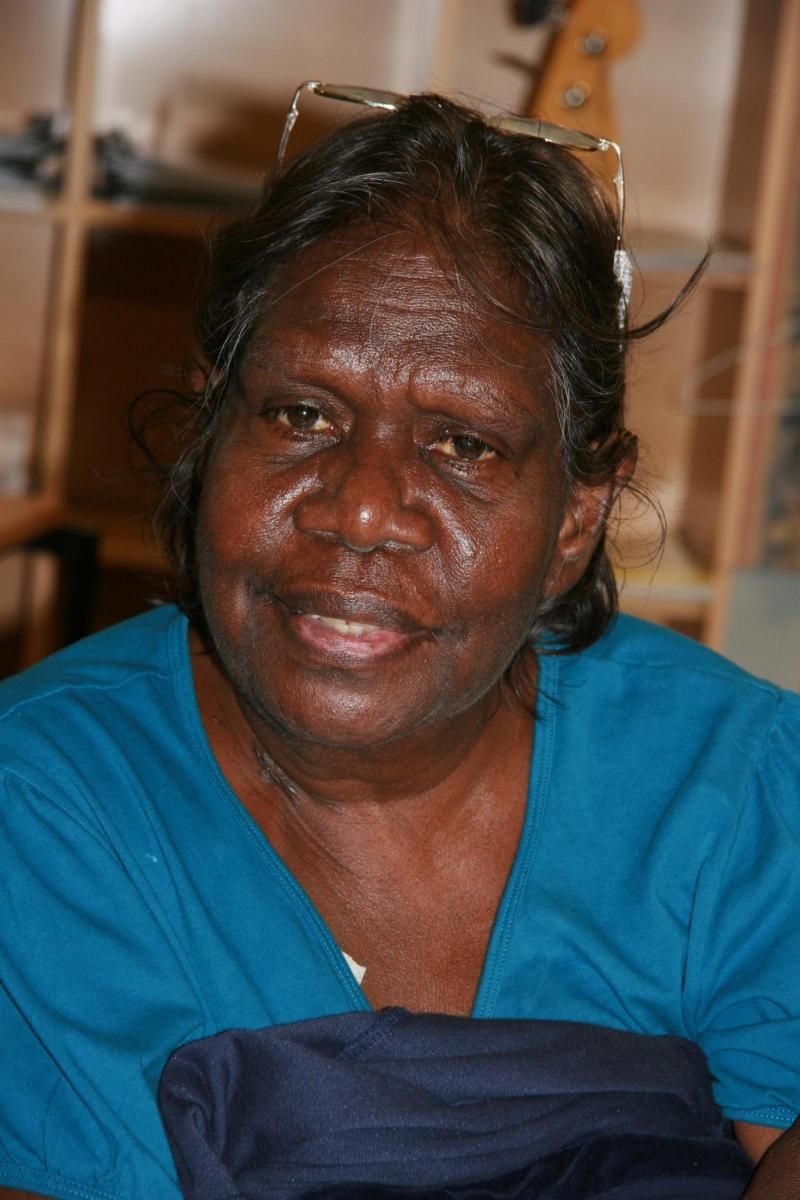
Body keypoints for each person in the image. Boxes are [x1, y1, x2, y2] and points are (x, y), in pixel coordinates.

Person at [1, 86, 798, 1200]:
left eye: (463, 444)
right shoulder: (43, 808)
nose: (362, 510)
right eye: (301, 416)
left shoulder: (732, 791)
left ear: (575, 517)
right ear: (211, 430)